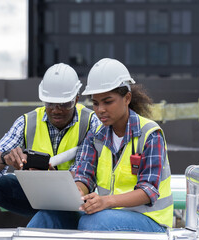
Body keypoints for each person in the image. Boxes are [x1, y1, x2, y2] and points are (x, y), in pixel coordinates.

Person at [27, 58, 173, 232]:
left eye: (107, 101)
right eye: (95, 103)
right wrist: (76, 193)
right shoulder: (96, 135)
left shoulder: (150, 134)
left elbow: (148, 191)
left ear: (127, 98)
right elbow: (83, 176)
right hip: (107, 214)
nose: (100, 109)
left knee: (93, 223)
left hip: (150, 222)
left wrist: (105, 201)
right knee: (49, 217)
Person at [0, 63, 101, 228]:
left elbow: (86, 171)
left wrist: (52, 178)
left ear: (76, 99)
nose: (56, 110)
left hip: (73, 198)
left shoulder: (91, 122)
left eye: (64, 104)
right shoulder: (28, 122)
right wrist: (6, 157)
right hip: (33, 193)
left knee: (50, 215)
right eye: (50, 103)